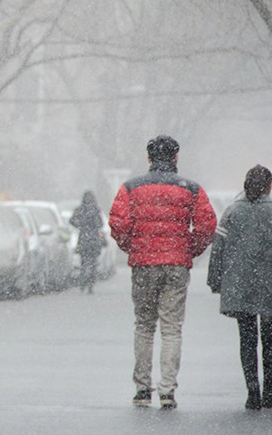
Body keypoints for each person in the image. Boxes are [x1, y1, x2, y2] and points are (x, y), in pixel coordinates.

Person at [109, 135, 216, 410]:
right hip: (176, 264)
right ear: (176, 158)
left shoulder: (131, 188)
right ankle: (167, 390)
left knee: (144, 325)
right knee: (172, 328)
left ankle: (142, 388)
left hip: (144, 264)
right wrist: (189, 249)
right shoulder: (191, 189)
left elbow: (118, 223)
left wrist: (132, 246)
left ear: (149, 158)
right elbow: (206, 224)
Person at [206, 165, 272, 410]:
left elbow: (218, 249)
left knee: (247, 339)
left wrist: (216, 281)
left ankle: (252, 392)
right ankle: (270, 392)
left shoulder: (232, 211)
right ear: (269, 186)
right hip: (268, 285)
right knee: (270, 339)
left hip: (240, 285)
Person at [69, 190, 104, 294]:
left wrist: (80, 225)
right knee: (93, 263)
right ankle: (90, 284)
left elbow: (71, 221)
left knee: (84, 263)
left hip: (84, 238)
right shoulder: (96, 210)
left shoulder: (80, 210)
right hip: (93, 239)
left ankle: (83, 282)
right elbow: (100, 224)